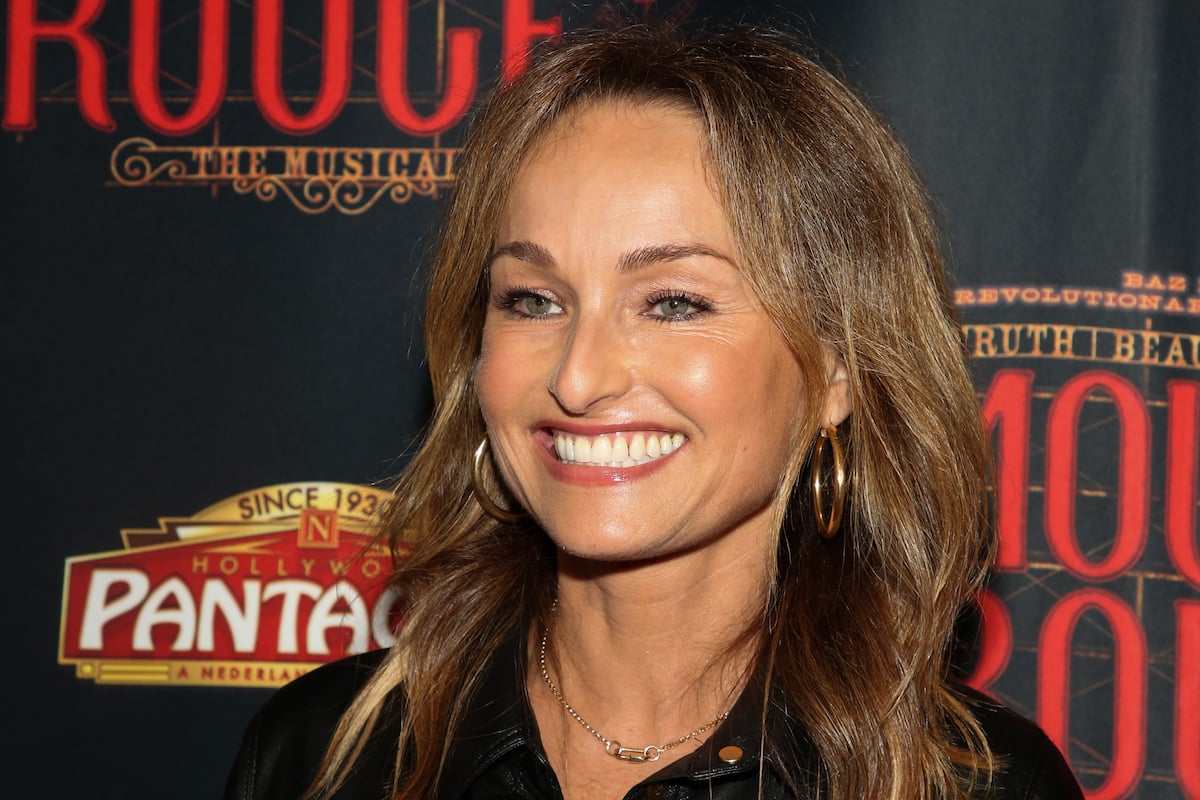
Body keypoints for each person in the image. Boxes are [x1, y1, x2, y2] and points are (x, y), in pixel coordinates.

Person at [225, 24, 1086, 800]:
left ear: (836, 369)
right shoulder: (323, 757)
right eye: (532, 299)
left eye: (672, 302)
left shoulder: (978, 789)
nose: (578, 375)